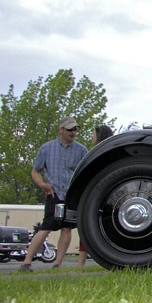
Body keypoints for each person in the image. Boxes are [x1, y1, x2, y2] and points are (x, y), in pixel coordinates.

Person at [20, 116, 89, 271]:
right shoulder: (47, 148)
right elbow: (35, 171)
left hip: (71, 194)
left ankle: (57, 263)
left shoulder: (81, 150)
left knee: (67, 228)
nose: (73, 132)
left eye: (75, 129)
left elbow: (86, 172)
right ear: (61, 130)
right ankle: (26, 261)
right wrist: (43, 185)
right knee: (46, 227)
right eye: (70, 129)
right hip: (54, 193)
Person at [77, 124, 113, 267]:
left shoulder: (99, 153)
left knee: (88, 226)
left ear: (99, 136)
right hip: (106, 194)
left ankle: (81, 263)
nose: (92, 137)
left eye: (93, 134)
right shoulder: (110, 151)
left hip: (98, 194)